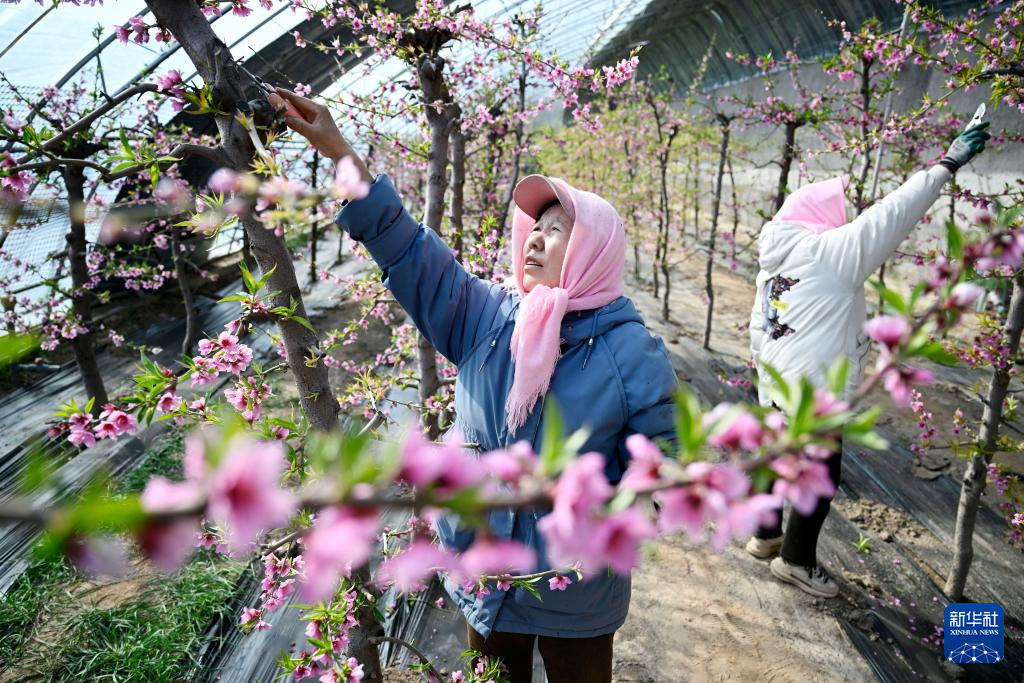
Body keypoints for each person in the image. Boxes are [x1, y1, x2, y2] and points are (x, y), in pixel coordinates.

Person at [272, 87, 678, 682]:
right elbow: (407, 247)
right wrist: (337, 148)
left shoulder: (629, 352)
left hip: (577, 587)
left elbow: (661, 467)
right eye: (535, 226)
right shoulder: (488, 317)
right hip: (484, 572)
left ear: (594, 248)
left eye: (558, 228)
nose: (535, 237)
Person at [746, 122, 991, 598]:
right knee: (821, 473)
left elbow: (759, 328)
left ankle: (764, 535)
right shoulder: (831, 253)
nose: (846, 223)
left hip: (777, 383)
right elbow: (891, 215)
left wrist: (765, 381)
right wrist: (946, 165)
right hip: (813, 390)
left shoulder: (774, 261)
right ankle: (795, 561)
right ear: (822, 219)